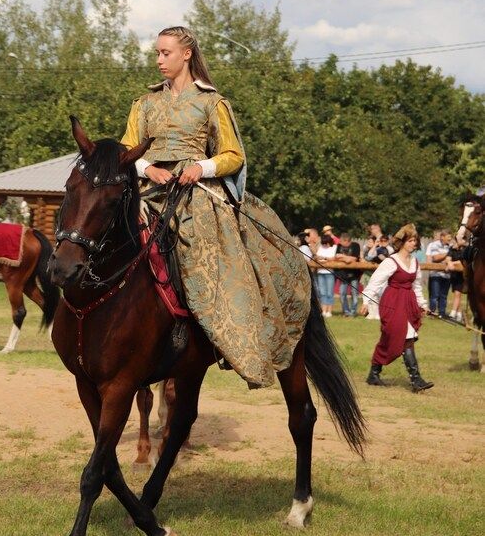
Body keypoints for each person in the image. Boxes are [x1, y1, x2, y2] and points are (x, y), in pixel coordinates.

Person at [121, 25, 310, 389]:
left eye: (166, 53)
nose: (159, 60)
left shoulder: (212, 102)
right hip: (149, 189)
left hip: (195, 194)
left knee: (208, 256)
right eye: (157, 53)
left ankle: (215, 335)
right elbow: (127, 150)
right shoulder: (143, 104)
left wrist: (200, 168)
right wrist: (149, 168)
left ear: (187, 54)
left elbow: (233, 155)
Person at [364, 223, 433, 392]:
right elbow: (376, 281)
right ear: (402, 242)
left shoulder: (415, 262)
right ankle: (416, 380)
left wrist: (422, 304)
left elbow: (416, 286)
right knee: (404, 336)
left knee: (391, 339)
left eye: (415, 241)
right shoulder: (391, 261)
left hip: (408, 302)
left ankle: (374, 374)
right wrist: (366, 302)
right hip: (392, 302)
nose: (413, 244)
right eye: (410, 240)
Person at [426, 229, 452, 318]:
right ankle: (432, 313)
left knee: (444, 296)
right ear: (442, 237)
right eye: (448, 237)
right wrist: (448, 254)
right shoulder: (434, 245)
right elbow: (436, 258)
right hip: (436, 274)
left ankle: (442, 313)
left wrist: (447, 257)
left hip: (447, 275)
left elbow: (452, 259)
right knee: (435, 295)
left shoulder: (450, 246)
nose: (450, 239)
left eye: (450, 237)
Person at [334, 232, 361, 317]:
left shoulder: (356, 245)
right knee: (342, 293)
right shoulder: (339, 246)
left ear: (346, 241)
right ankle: (346, 311)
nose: (340, 243)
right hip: (343, 274)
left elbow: (354, 258)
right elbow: (337, 256)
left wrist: (343, 258)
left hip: (354, 274)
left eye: (341, 241)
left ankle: (353, 312)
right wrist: (346, 259)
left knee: (354, 293)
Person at [315, 232, 337, 317]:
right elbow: (317, 257)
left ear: (329, 242)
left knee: (329, 293)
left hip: (329, 273)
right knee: (322, 292)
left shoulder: (334, 248)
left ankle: (329, 311)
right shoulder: (320, 247)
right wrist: (320, 258)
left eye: (325, 243)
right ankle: (323, 310)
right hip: (320, 272)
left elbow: (333, 258)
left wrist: (324, 258)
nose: (324, 245)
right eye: (323, 243)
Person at [447, 235, 465, 322]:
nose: (456, 241)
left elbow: (463, 261)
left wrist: (452, 263)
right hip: (454, 275)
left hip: (463, 276)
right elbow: (448, 258)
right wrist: (449, 262)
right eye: (456, 240)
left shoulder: (465, 249)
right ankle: (459, 314)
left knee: (458, 293)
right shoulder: (452, 249)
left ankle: (453, 313)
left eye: (459, 240)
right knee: (457, 294)